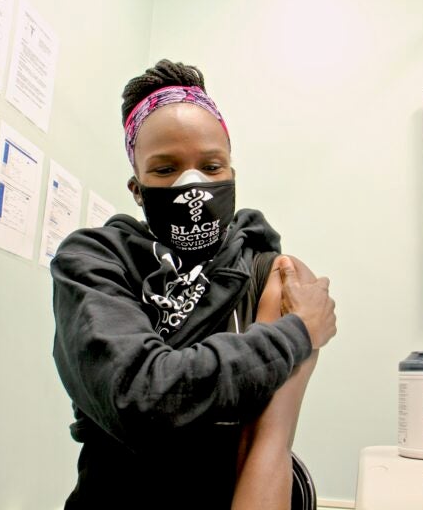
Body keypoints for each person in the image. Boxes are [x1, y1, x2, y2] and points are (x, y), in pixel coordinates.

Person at [51, 59, 337, 509]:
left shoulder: (274, 276)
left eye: (211, 166)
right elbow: (141, 399)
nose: (193, 185)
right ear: (137, 189)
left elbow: (269, 446)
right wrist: (296, 333)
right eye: (165, 170)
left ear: (232, 175)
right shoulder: (93, 261)